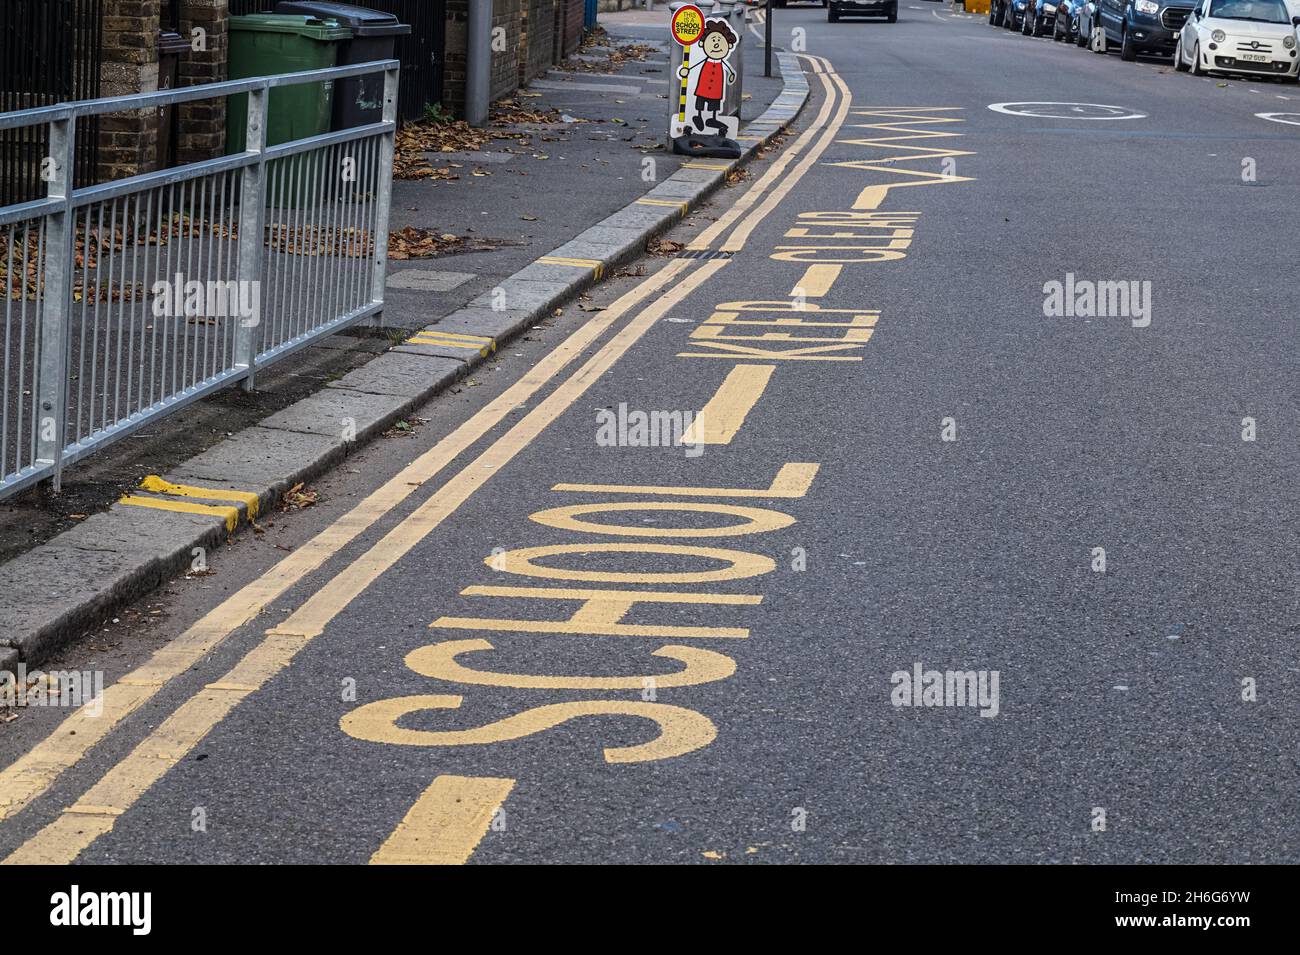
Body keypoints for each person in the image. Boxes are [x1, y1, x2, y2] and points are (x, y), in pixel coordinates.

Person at [678, 19, 738, 134]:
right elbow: (695, 65)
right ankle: (698, 117)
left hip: (716, 84)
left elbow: (730, 70)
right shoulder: (705, 60)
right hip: (704, 83)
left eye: (719, 40)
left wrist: (731, 75)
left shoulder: (722, 62)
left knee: (714, 102)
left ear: (728, 45)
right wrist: (687, 70)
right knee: (700, 99)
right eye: (713, 40)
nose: (716, 44)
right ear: (703, 43)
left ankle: (713, 119)